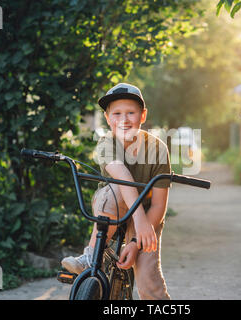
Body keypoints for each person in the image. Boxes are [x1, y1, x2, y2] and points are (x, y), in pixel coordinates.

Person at [61, 83, 172, 300]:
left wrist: (136, 239)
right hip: (114, 208)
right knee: (115, 189)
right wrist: (137, 219)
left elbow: (159, 204)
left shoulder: (158, 149)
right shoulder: (106, 143)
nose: (124, 119)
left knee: (149, 281)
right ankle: (92, 255)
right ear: (107, 117)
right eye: (117, 113)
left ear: (143, 115)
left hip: (148, 217)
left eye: (131, 112)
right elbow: (122, 175)